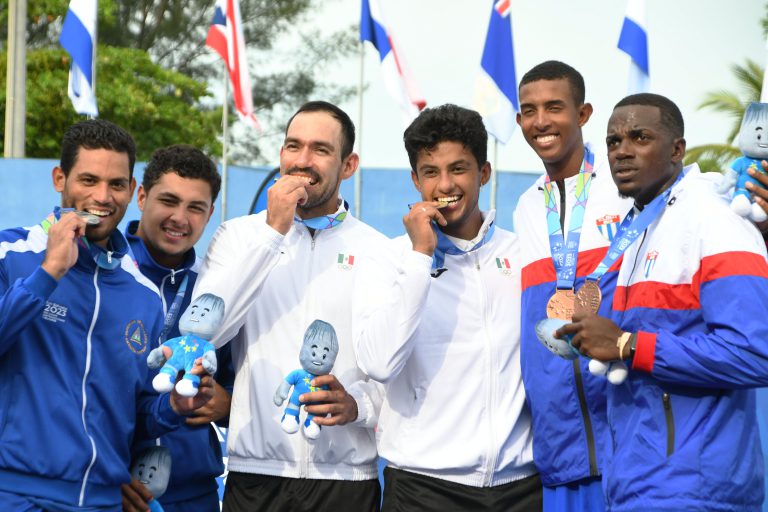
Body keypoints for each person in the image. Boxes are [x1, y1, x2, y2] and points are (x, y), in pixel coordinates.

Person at [192, 100, 431, 511]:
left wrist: (359, 406)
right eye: (292, 146)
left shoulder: (379, 250)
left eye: (320, 150)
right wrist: (272, 233)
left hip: (346, 482)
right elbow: (206, 332)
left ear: (348, 165)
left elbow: (393, 367)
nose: (302, 161)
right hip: (255, 476)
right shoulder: (238, 237)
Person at [557, 93, 768, 511]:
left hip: (697, 490)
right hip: (638, 485)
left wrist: (627, 345)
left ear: (676, 149)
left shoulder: (714, 219)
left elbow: (755, 353)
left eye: (640, 137)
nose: (622, 151)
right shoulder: (642, 227)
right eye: (614, 141)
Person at [0, 119, 212, 511]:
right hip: (16, 495)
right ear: (59, 178)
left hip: (102, 502)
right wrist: (49, 274)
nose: (103, 197)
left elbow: (139, 412)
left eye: (116, 185)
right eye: (88, 180)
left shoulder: (142, 294)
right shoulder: (11, 254)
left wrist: (174, 408)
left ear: (132, 191)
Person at [360, 104, 541, 511]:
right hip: (423, 489)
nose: (445, 185)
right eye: (430, 172)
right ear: (414, 179)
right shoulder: (389, 259)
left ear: (484, 173)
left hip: (522, 487)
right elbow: (379, 363)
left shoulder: (525, 254)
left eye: (458, 169)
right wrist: (420, 257)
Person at [512, 60, 633, 510]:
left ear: (583, 114)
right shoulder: (525, 206)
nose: (540, 121)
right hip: (560, 450)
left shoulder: (627, 187)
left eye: (554, 107)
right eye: (528, 110)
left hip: (628, 443)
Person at [120, 144, 234, 512]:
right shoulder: (106, 274)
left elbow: (239, 378)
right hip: (114, 488)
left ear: (210, 213)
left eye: (195, 207)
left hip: (194, 493)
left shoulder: (214, 288)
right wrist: (105, 472)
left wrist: (228, 402)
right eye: (169, 201)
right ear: (141, 195)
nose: (180, 218)